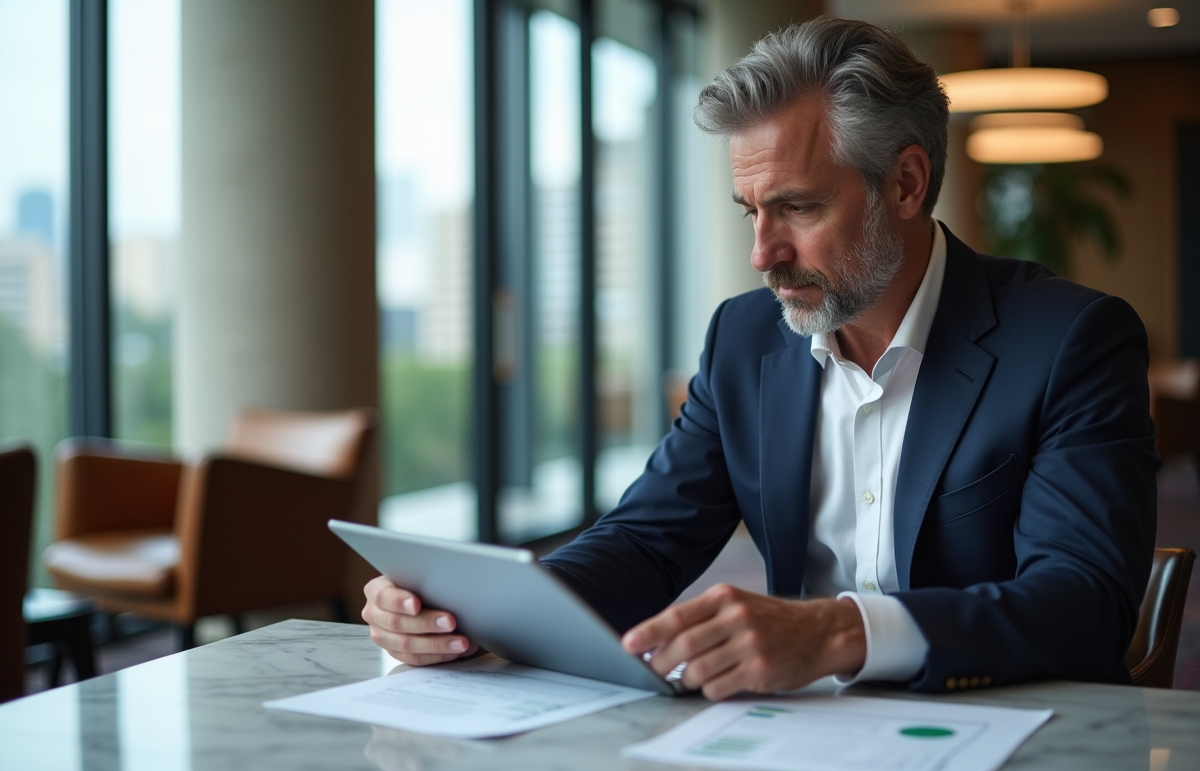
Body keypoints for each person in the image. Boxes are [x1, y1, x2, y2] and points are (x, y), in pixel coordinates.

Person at [362, 16, 1159, 700]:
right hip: (792, 737)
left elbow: (1082, 604)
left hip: (1008, 737)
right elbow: (647, 539)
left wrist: (838, 633)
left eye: (798, 207)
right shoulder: (745, 339)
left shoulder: (1070, 342)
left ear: (907, 183)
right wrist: (471, 614)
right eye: (750, 211)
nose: (761, 253)